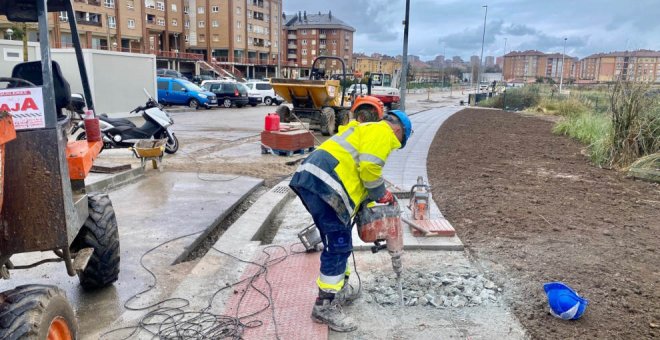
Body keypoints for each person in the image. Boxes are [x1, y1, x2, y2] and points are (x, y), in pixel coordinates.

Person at [289, 110, 413, 332]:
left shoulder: (363, 129)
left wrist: (367, 198)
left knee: (340, 241)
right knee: (338, 245)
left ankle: (340, 290)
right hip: (326, 183)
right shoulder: (383, 132)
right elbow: (369, 169)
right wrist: (380, 195)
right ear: (398, 131)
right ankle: (324, 307)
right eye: (397, 144)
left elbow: (357, 168)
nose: (393, 147)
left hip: (315, 179)